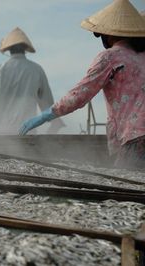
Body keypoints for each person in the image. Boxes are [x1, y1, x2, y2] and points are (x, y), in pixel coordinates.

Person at [19, 0, 145, 169]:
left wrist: (47, 114)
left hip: (137, 137)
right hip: (136, 135)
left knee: (126, 190)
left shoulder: (110, 57)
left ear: (109, 35)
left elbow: (79, 95)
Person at [0, 27, 65, 135]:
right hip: (29, 131)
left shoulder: (0, 70)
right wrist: (55, 122)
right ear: (25, 48)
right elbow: (46, 104)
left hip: (5, 132)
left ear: (8, 49)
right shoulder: (36, 69)